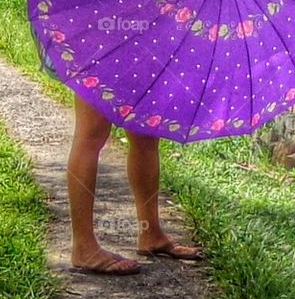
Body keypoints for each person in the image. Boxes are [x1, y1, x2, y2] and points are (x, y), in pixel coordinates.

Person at [67, 94, 203, 275]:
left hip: (147, 64)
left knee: (146, 134)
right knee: (91, 133)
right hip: (102, 65)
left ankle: (151, 234)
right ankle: (83, 247)